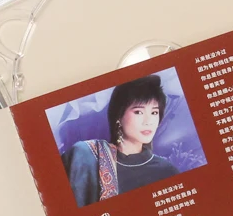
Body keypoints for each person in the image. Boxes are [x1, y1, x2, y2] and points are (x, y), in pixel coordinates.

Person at [62, 75, 178, 207]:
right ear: (119, 115)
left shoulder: (167, 172)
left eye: (154, 113)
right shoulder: (85, 155)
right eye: (138, 112)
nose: (148, 121)